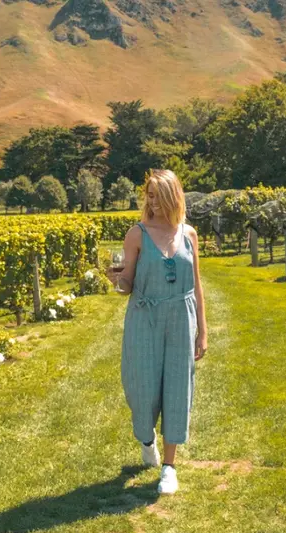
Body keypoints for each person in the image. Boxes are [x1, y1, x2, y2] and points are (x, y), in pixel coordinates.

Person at [117, 170, 208, 494]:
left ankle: (169, 467)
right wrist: (117, 279)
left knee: (177, 388)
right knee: (141, 388)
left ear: (172, 196)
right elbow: (126, 284)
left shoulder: (189, 235)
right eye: (149, 195)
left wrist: (203, 332)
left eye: (156, 195)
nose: (151, 201)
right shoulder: (137, 234)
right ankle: (146, 437)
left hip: (181, 319)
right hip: (145, 316)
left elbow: (196, 286)